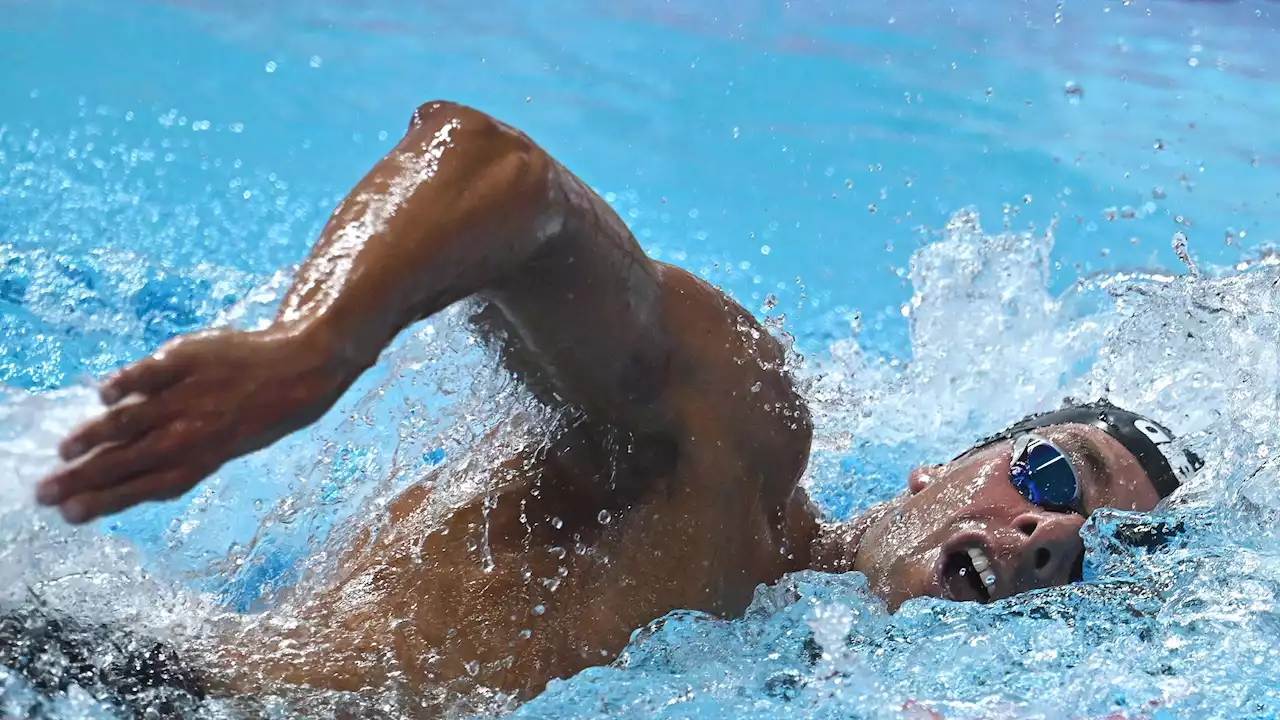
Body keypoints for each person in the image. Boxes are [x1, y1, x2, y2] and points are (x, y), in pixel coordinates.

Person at [24, 101, 1203, 712]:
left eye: (1086, 562)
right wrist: (315, 344)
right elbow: (493, 168)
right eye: (1053, 477)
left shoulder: (781, 662)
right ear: (938, 464)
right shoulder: (730, 455)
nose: (1049, 534)